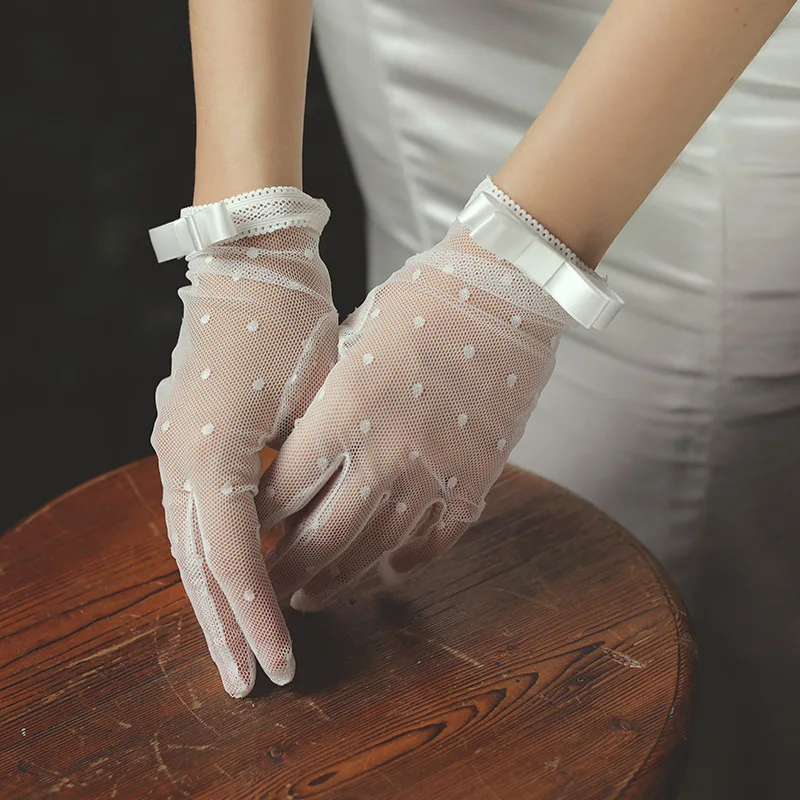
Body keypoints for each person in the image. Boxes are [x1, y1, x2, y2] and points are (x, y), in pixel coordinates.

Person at [148, 1, 800, 797]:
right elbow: (253, 231)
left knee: (632, 623)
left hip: (711, 60)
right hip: (410, 33)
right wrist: (250, 240)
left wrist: (510, 275)